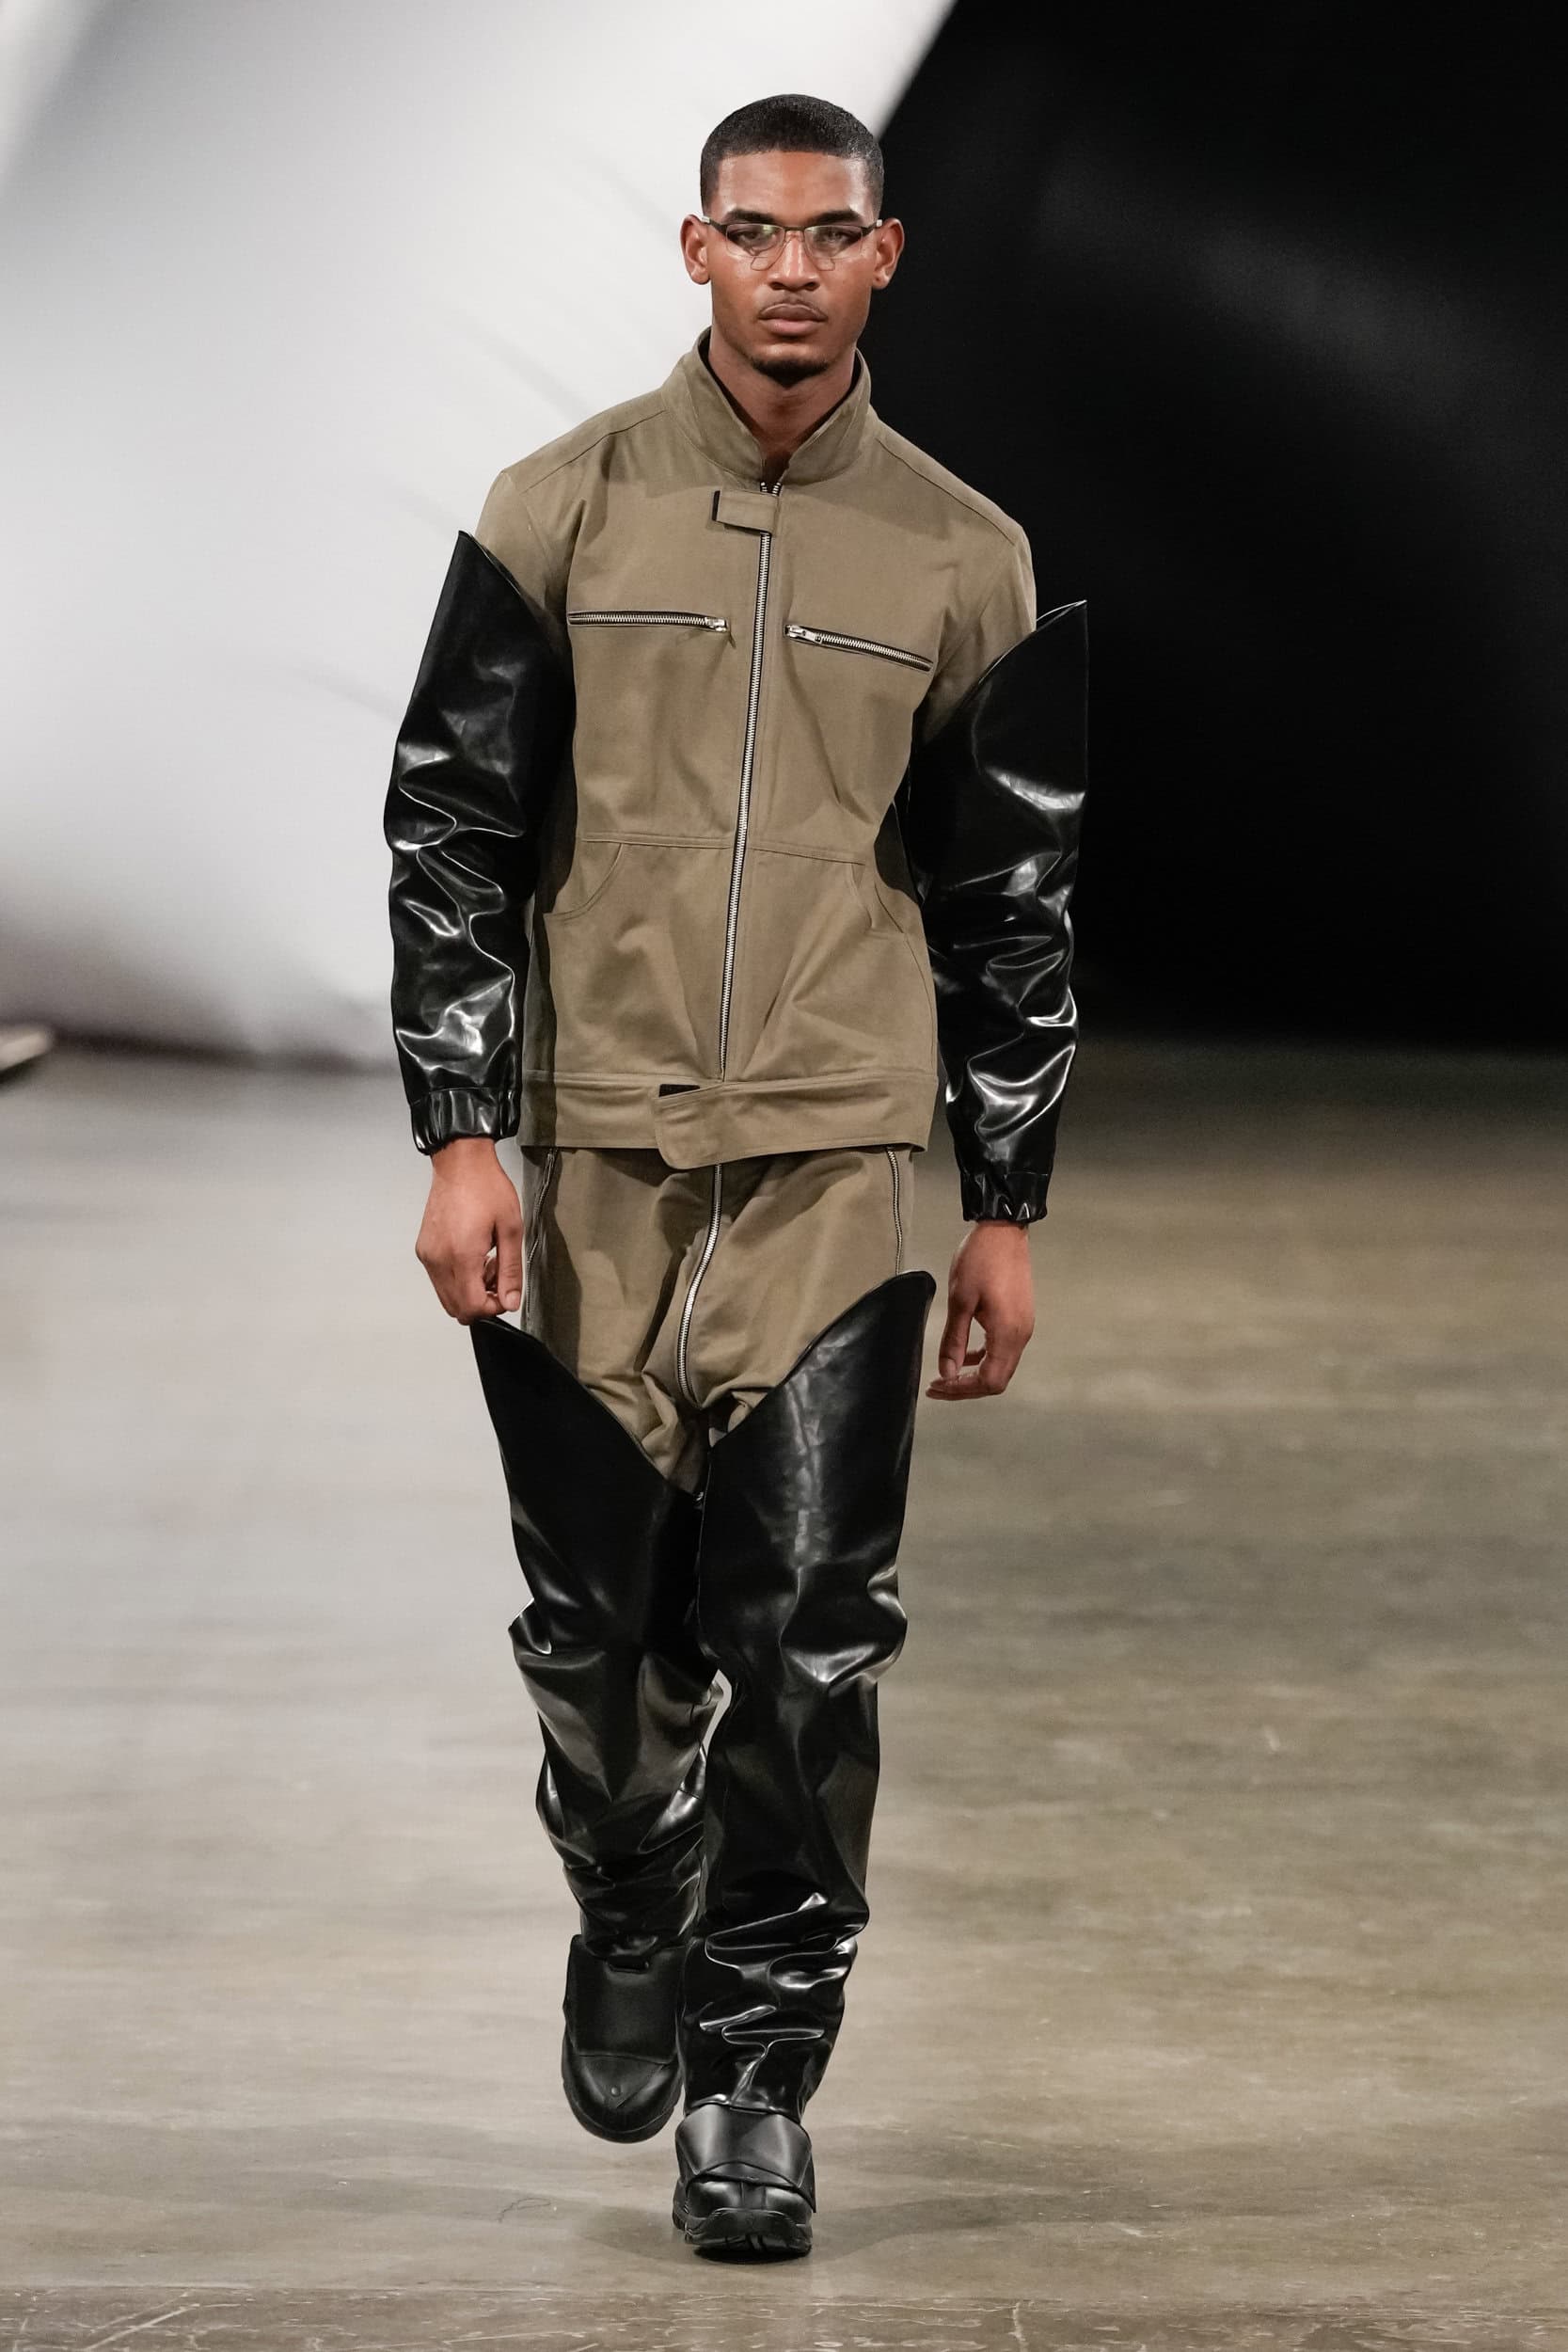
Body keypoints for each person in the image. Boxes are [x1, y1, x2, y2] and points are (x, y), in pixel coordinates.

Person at [383, 90, 1086, 2261]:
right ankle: (628, 1881)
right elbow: (453, 825)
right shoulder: (559, 508)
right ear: (696, 249)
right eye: (753, 232)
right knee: (601, 1636)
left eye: (828, 234)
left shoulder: (964, 556)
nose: (793, 269)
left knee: (809, 1646)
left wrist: (1004, 1200)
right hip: (595, 1158)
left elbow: (1016, 900)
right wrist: (460, 1126)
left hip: (837, 1169)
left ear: (886, 255)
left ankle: (755, 2078)